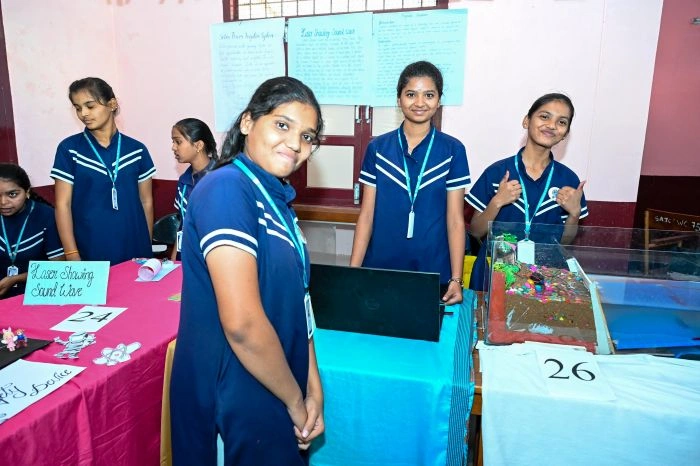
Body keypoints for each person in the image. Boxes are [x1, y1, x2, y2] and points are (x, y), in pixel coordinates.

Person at [170, 77, 325, 465]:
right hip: (235, 390)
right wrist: (295, 401)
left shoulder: (275, 199)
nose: (295, 144)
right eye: (282, 125)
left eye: (307, 136)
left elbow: (299, 301)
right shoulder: (226, 189)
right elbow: (241, 324)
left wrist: (313, 388)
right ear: (247, 122)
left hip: (273, 379)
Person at [350, 61, 470, 305]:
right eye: (411, 94)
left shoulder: (453, 150)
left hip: (433, 272)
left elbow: (456, 220)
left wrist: (456, 280)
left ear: (439, 100)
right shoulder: (378, 148)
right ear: (399, 99)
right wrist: (351, 273)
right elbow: (367, 215)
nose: (419, 102)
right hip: (380, 268)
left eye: (429, 95)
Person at [466, 93, 588, 290]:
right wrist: (497, 201)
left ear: (565, 133)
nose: (551, 125)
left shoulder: (568, 180)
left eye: (561, 122)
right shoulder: (497, 172)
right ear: (526, 121)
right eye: (544, 116)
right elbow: (475, 231)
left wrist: (574, 214)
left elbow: (564, 242)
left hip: (543, 278)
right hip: (495, 274)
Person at [51, 77, 156, 265]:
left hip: (135, 246)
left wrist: (146, 245)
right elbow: (62, 205)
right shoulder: (69, 149)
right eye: (78, 108)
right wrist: (72, 253)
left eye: (90, 106)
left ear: (112, 104)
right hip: (90, 247)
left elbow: (146, 201)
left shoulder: (137, 150)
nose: (84, 113)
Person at [0, 163, 64, 299]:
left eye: (12, 194)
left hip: (38, 295)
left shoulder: (46, 216)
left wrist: (16, 279)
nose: (3, 202)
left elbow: (59, 267)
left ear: (27, 192)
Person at [171, 117, 218, 260]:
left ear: (198, 145)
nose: (173, 147)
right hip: (187, 255)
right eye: (173, 142)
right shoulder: (184, 180)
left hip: (213, 257)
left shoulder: (220, 178)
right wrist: (174, 261)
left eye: (178, 142)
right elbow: (182, 225)